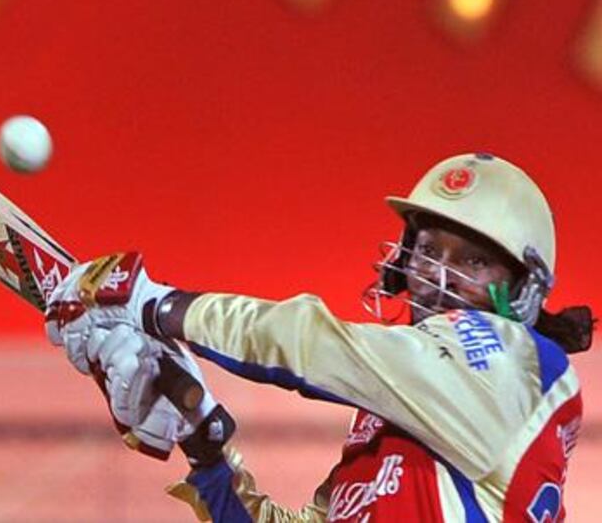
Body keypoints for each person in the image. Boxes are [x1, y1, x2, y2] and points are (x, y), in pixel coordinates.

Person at [46, 153, 594, 522]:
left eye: (475, 260)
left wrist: (155, 305)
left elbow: (308, 344)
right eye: (428, 251)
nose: (440, 275)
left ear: (525, 290)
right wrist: (204, 445)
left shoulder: (517, 365)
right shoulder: (402, 409)